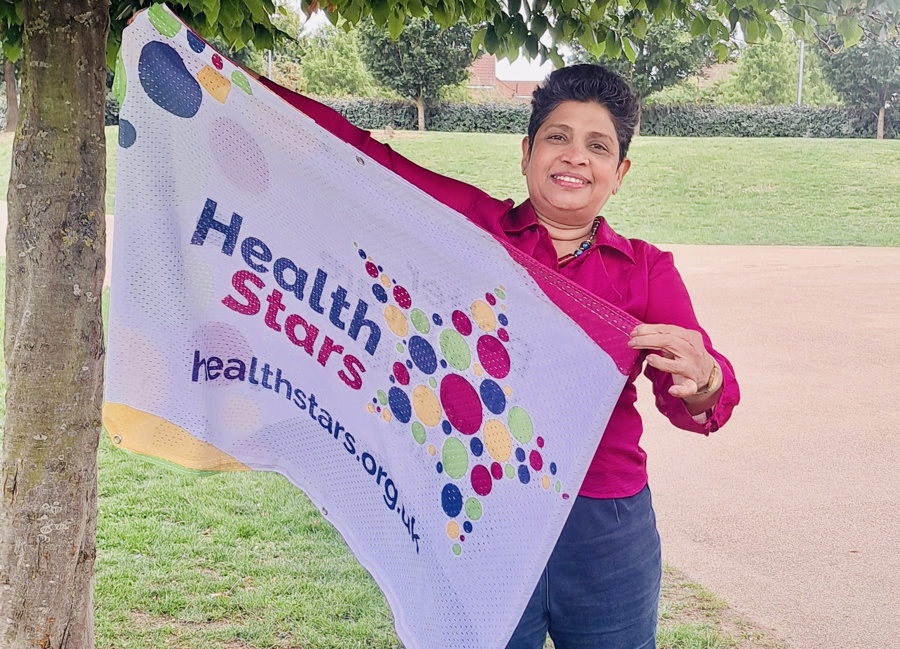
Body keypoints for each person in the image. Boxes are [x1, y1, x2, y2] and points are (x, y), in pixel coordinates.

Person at [257, 64, 740, 649]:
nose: (575, 157)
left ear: (620, 172)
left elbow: (696, 394)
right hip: (482, 514)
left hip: (605, 528)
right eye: (557, 137)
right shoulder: (469, 231)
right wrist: (236, 87)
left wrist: (706, 379)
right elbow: (366, 162)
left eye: (598, 145)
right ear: (527, 151)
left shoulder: (646, 269)